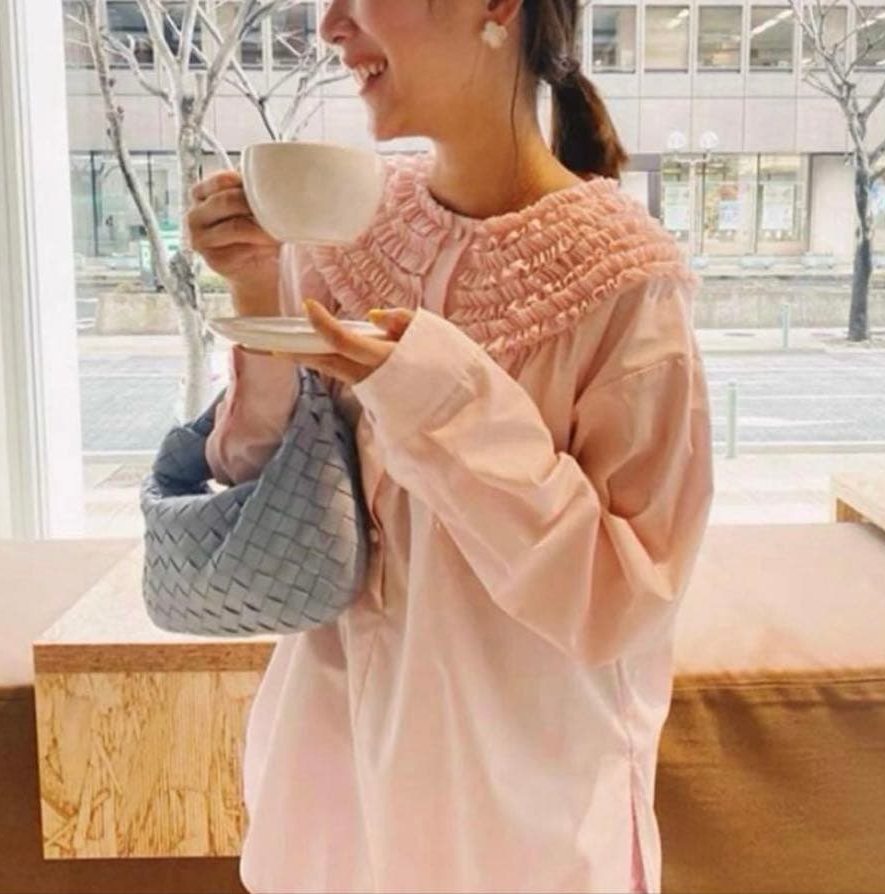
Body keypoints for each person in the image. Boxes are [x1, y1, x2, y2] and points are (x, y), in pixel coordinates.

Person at [186, 0, 713, 890]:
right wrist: (256, 289)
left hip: (516, 812)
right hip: (334, 772)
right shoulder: (346, 232)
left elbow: (624, 598)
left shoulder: (627, 284)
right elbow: (256, 478)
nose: (330, 24)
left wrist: (435, 395)